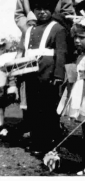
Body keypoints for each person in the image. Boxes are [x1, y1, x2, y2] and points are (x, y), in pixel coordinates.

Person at [14, 0, 75, 137]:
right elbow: (19, 15)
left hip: (54, 35)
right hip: (32, 38)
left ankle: (52, 127)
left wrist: (49, 21)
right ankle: (31, 125)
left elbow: (67, 12)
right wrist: (29, 28)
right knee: (29, 85)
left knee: (51, 88)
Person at [22, 0, 68, 156]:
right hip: (31, 76)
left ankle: (50, 141)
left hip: (48, 77)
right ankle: (37, 140)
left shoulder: (58, 29)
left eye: (46, 8)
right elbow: (22, 50)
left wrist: (58, 75)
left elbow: (61, 53)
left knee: (48, 111)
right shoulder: (30, 30)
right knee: (34, 110)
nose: (42, 12)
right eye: (38, 8)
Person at [57, 17, 85, 175]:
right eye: (75, 37)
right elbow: (74, 78)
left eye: (82, 37)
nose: (77, 41)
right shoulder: (80, 57)